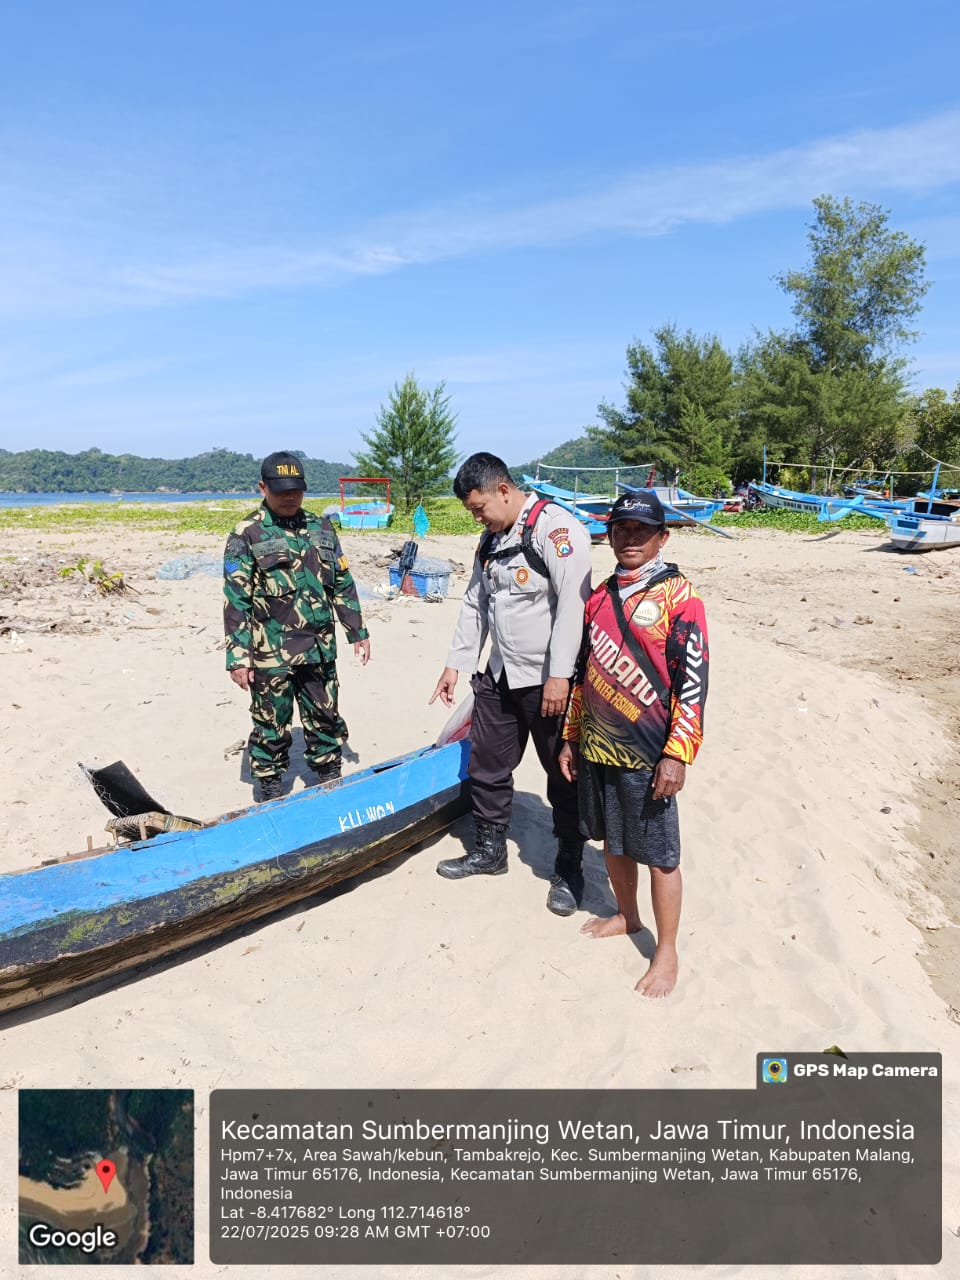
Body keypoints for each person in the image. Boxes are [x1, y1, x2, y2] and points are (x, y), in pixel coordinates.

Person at [558, 489, 708, 996]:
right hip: (598, 745)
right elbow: (582, 674)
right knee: (611, 840)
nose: (629, 539)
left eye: (641, 531)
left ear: (661, 538)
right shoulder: (599, 596)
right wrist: (570, 738)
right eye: (621, 530)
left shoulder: (681, 598)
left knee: (661, 854)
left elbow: (693, 684)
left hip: (650, 752)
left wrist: (677, 753)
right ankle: (627, 916)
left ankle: (667, 953)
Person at [429, 453, 592, 915]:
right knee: (487, 765)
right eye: (472, 512)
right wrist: (455, 664)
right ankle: (489, 850)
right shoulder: (491, 538)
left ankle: (569, 866)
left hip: (546, 680)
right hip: (500, 675)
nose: (477, 517)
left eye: (480, 507)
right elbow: (476, 603)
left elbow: (574, 609)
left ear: (504, 490)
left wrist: (560, 674)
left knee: (562, 775)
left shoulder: (556, 532)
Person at [223, 451, 371, 802]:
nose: (290, 497)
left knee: (325, 716)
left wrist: (357, 630)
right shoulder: (247, 534)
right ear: (263, 488)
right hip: (270, 652)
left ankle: (328, 776)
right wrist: (238, 657)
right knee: (271, 724)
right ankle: (272, 788)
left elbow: (342, 583)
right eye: (280, 491)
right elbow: (236, 599)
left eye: (296, 490)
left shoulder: (321, 527)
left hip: (319, 647)